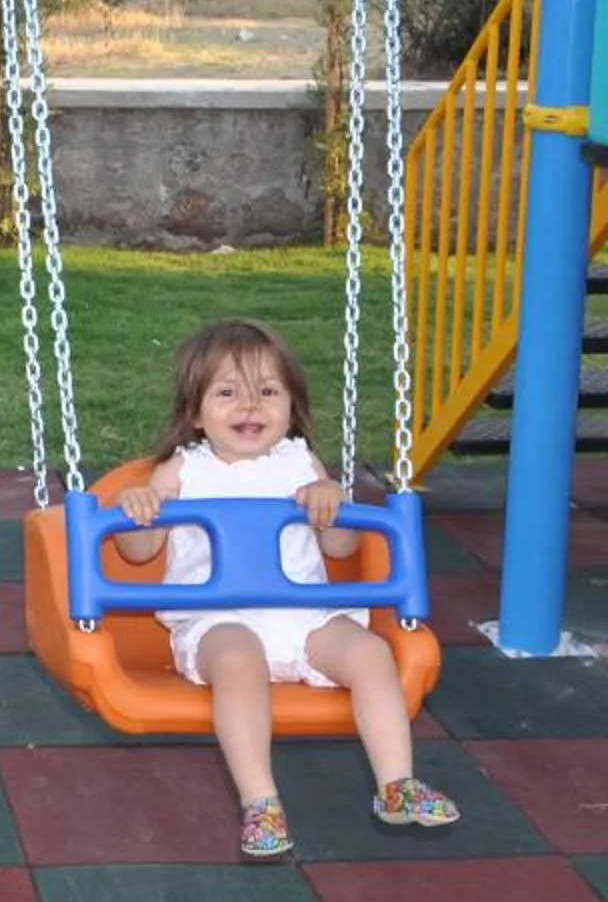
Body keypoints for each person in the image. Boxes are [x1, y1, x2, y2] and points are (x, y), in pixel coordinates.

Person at [110, 318, 458, 861]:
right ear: (195, 413)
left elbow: (342, 548)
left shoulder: (301, 463)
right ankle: (261, 803)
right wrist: (140, 510)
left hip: (306, 618)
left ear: (291, 406)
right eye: (227, 393)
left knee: (371, 654)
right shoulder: (181, 471)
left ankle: (397, 784)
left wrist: (329, 502)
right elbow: (137, 553)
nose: (250, 407)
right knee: (239, 661)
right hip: (217, 622)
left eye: (268, 392)